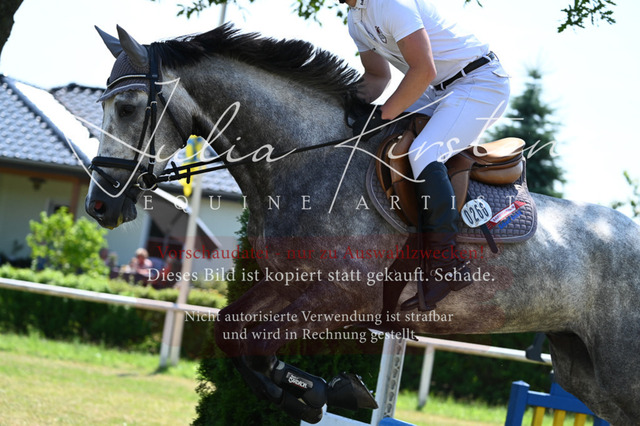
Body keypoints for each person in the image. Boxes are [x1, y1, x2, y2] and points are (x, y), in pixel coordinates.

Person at [341, 0, 510, 310]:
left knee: (423, 153)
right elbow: (377, 77)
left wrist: (384, 113)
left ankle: (447, 266)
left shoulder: (390, 4)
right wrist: (347, 104)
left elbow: (423, 69)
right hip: (433, 90)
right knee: (382, 141)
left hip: (478, 82)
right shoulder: (355, 19)